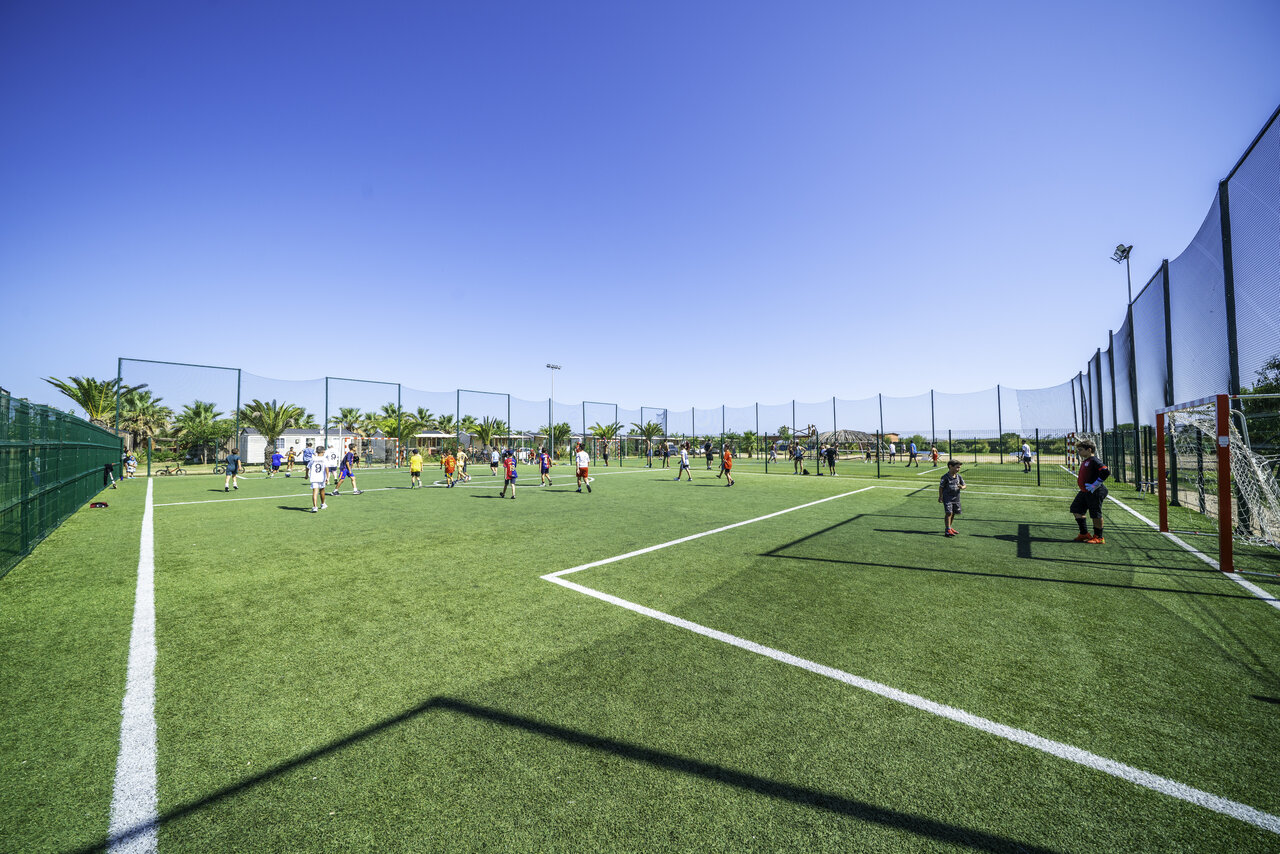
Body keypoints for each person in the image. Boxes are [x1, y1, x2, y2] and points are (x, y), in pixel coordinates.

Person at [1071, 439, 1110, 544]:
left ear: (1089, 450)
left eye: (1080, 449)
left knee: (1095, 514)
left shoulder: (1094, 460)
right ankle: (1084, 533)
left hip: (1095, 491)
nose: (1078, 452)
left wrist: (1096, 484)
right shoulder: (1086, 460)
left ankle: (1099, 537)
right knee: (1076, 509)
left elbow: (1105, 471)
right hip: (1085, 491)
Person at [939, 460, 966, 537]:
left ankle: (949, 527)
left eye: (959, 468)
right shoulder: (945, 477)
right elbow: (941, 487)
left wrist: (962, 487)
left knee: (953, 513)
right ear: (950, 466)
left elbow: (964, 485)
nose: (958, 469)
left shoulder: (959, 477)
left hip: (956, 498)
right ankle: (947, 530)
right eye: (957, 467)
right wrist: (940, 496)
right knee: (948, 513)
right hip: (947, 498)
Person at [308, 445, 328, 512]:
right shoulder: (324, 459)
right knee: (322, 490)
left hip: (314, 477)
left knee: (315, 492)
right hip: (321, 477)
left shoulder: (313, 458)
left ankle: (315, 507)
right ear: (323, 451)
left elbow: (308, 467)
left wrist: (306, 475)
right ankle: (323, 504)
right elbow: (327, 468)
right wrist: (328, 477)